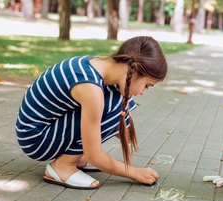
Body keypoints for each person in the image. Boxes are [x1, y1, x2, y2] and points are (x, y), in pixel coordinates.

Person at [15, 36, 167, 189]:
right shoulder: (91, 89)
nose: (142, 92)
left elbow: (124, 134)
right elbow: (94, 156)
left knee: (116, 98)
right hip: (35, 138)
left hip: (44, 128)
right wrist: (134, 172)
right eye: (147, 85)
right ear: (134, 71)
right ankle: (63, 166)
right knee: (113, 104)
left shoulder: (98, 66)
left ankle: (73, 158)